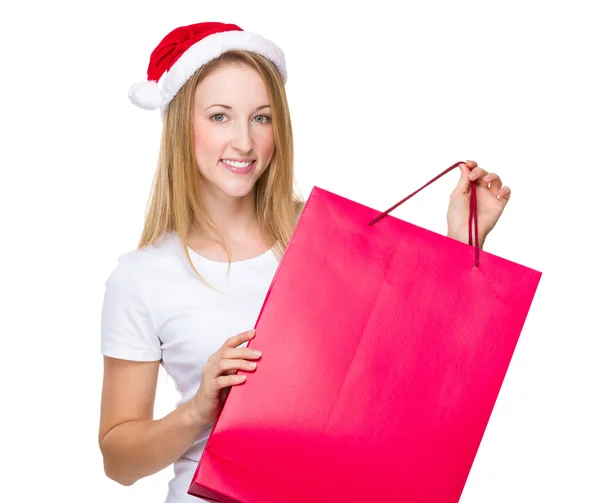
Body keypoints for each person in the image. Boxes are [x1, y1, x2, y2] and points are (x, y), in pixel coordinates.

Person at [98, 21, 512, 503]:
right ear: (179, 125)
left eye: (261, 117)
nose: (244, 142)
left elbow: (405, 368)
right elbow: (119, 462)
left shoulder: (326, 236)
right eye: (218, 117)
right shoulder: (143, 277)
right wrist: (198, 409)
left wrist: (461, 245)